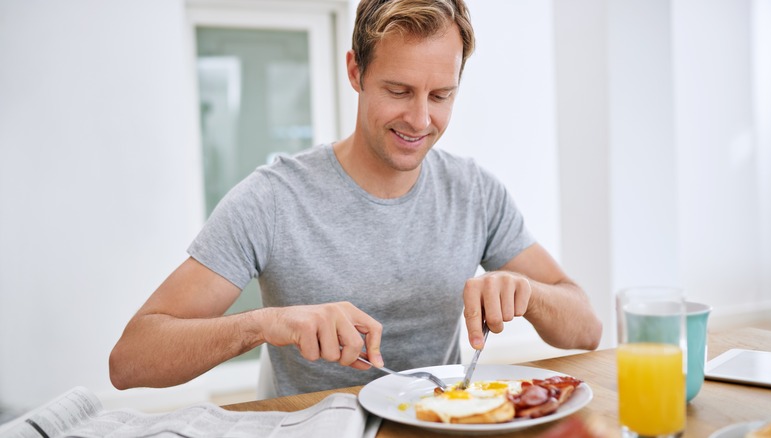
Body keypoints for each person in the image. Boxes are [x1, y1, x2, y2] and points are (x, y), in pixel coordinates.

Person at [109, 0, 602, 397]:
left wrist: (530, 295)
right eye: (398, 89)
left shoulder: (475, 193)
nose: (419, 120)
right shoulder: (272, 200)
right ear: (355, 71)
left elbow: (587, 331)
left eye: (440, 96)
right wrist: (264, 324)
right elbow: (130, 360)